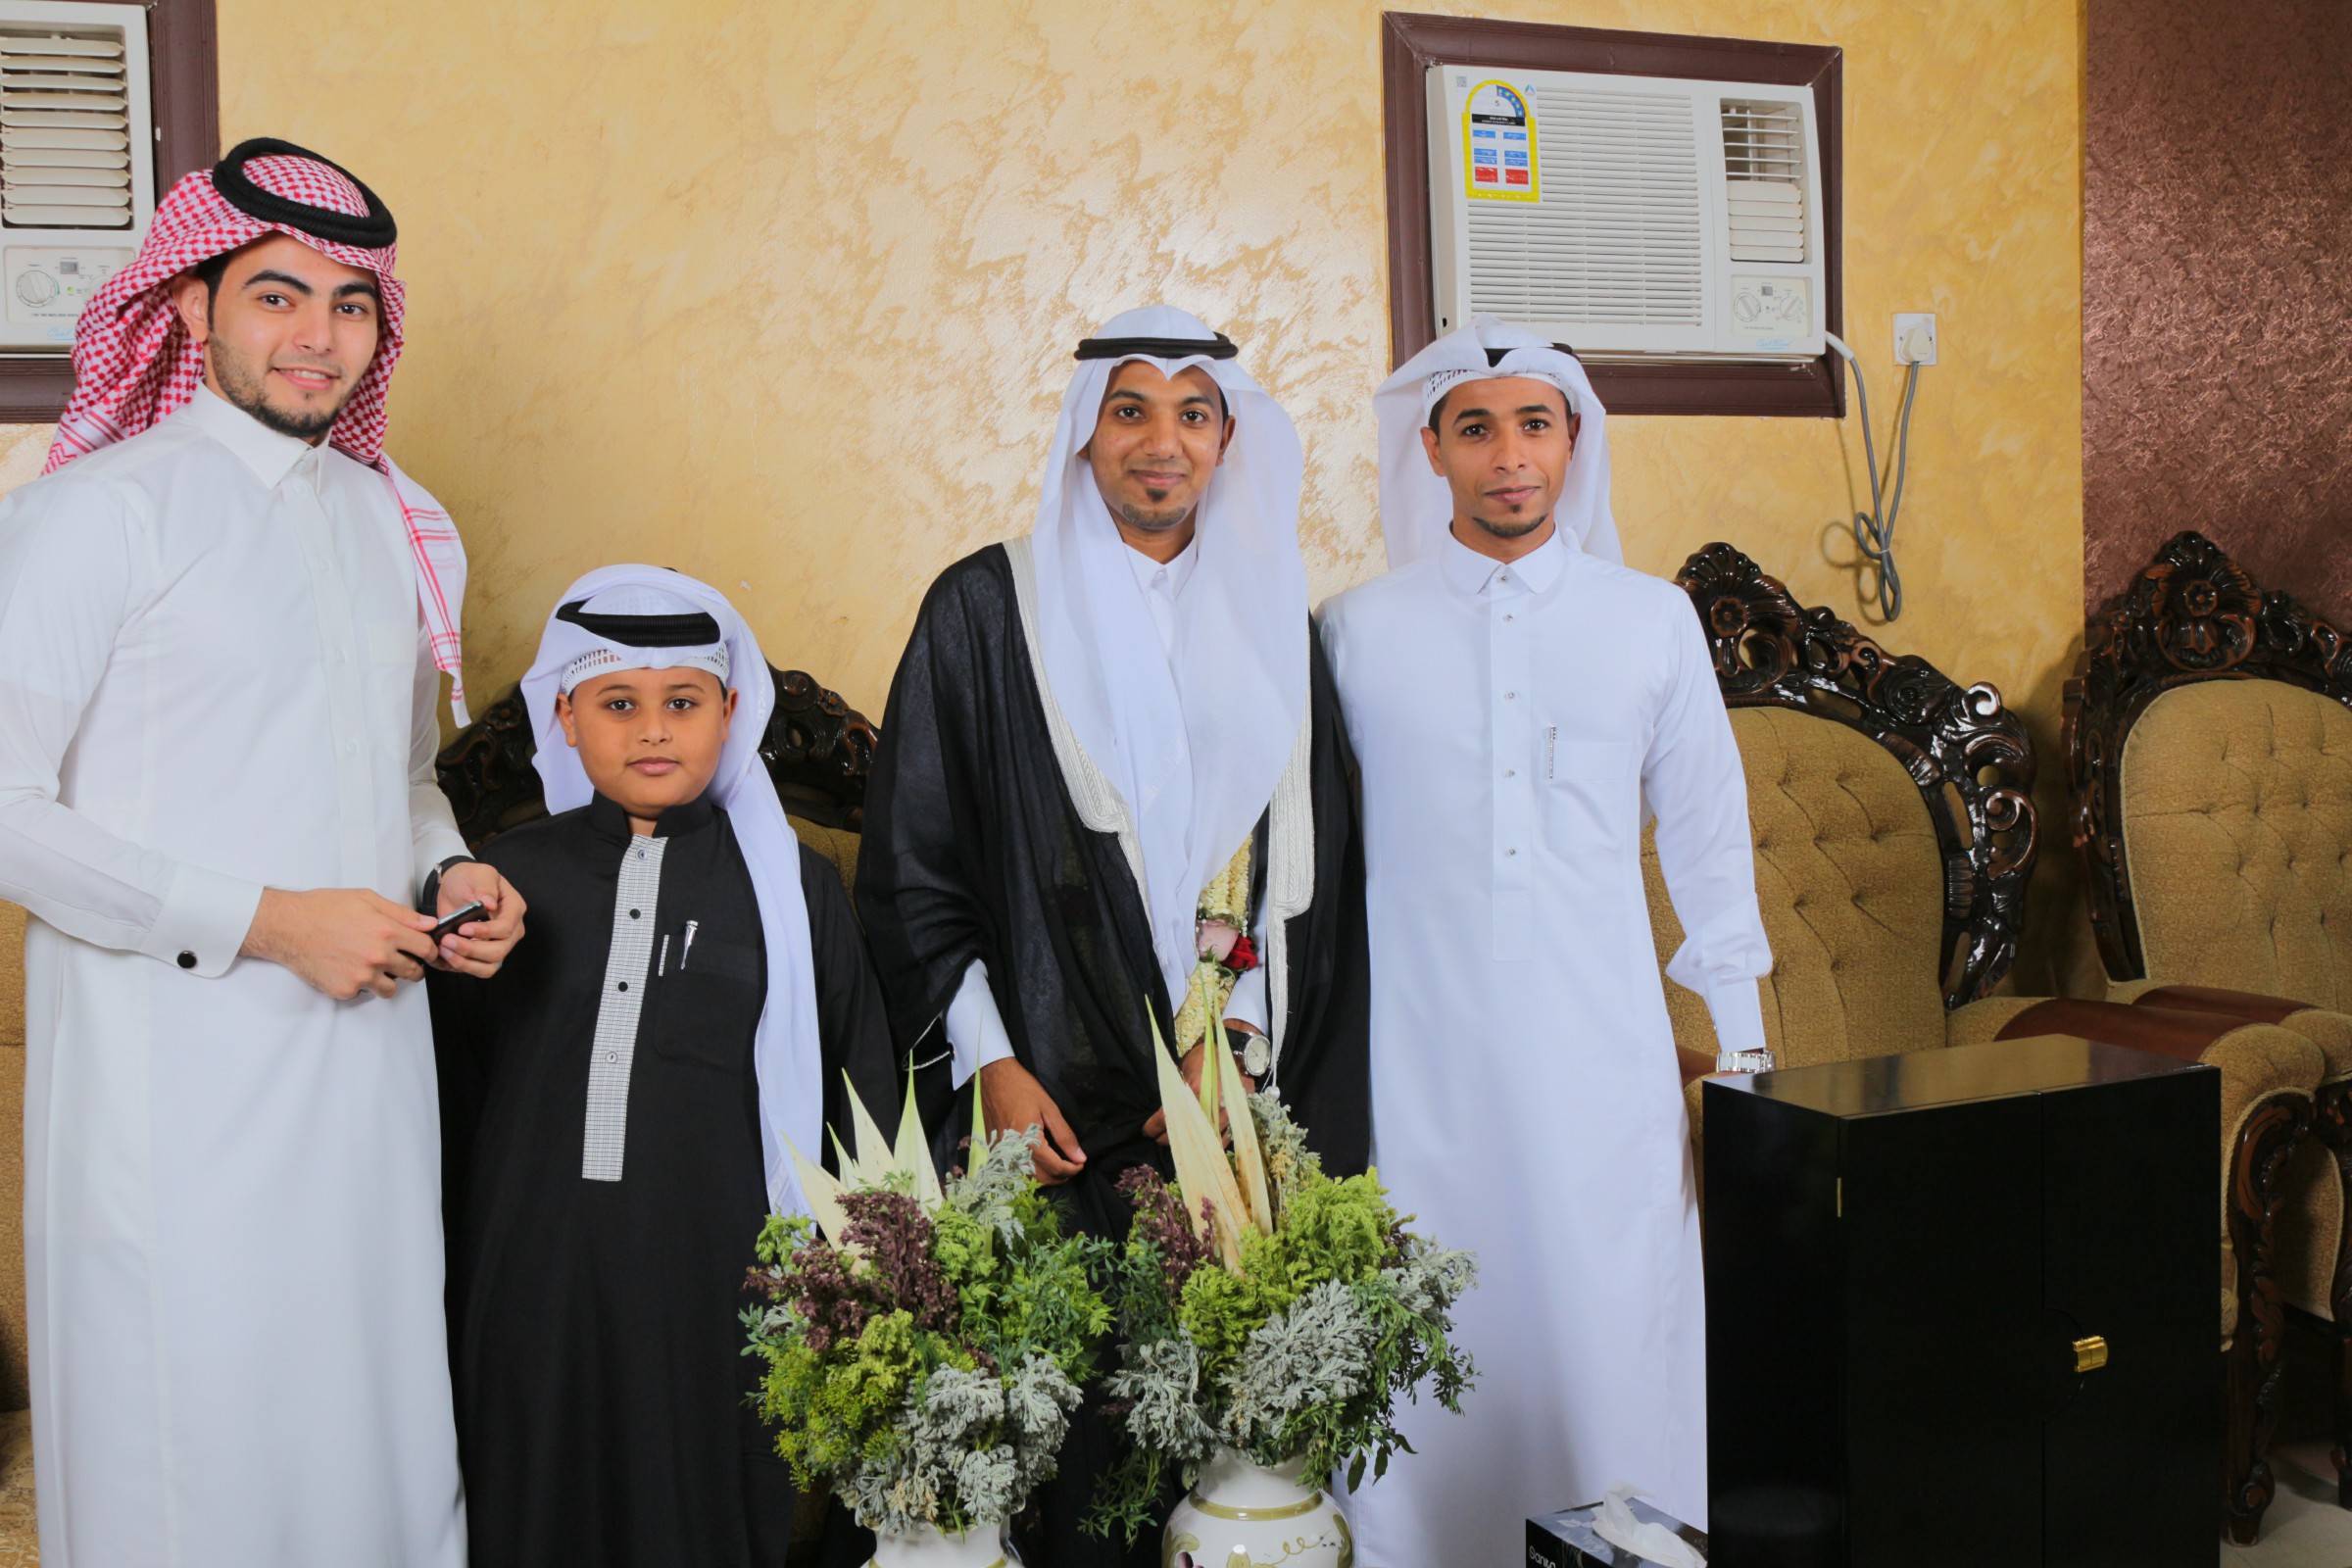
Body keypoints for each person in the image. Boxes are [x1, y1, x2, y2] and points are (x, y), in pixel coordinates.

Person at [0, 138, 522, 1566]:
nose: (317, 336)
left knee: (368, 1421)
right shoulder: (93, 514)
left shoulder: (397, 523)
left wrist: (448, 873)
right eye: (278, 295)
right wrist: (270, 921)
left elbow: (400, 782)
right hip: (175, 1086)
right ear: (190, 304)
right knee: (198, 1445)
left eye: (351, 305)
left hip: (368, 1076)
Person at [856, 305, 1369, 1565]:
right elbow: (915, 865)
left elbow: (1311, 874)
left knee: (1231, 1452)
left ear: (1227, 439)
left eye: (1193, 414)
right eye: (1129, 410)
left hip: (1223, 1104)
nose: (1161, 442)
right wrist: (992, 1063)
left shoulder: (1275, 620)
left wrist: (1231, 1056)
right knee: (1065, 1462)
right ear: (1085, 433)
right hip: (1048, 1106)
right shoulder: (988, 609)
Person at [1321, 317, 1773, 1562]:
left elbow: (1708, 834)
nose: (1509, 457)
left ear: (1575, 441)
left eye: (1535, 425)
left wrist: (1741, 1047)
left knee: (1607, 1326)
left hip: (1602, 1060)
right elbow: (1299, 865)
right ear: (1431, 449)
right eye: (1477, 429)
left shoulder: (1652, 620)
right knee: (1435, 1332)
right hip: (1421, 1069)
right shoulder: (1353, 631)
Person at [433, 567, 895, 1568]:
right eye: (618, 704)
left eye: (682, 702)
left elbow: (861, 1092)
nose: (653, 730)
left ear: (729, 712)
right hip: (528, 1276)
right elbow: (445, 1099)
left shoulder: (793, 891)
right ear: (565, 716)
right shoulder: (505, 884)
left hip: (717, 1282)